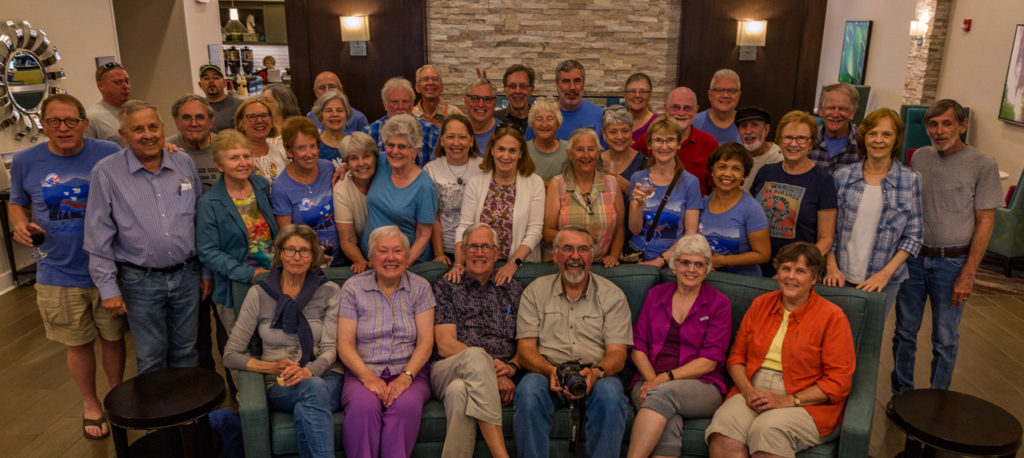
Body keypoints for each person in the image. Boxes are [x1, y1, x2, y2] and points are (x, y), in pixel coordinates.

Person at [9, 94, 125, 440]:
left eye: (71, 121)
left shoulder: (107, 152)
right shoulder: (26, 161)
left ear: (84, 123)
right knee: (77, 342)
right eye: (55, 121)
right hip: (57, 270)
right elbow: (18, 204)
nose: (63, 128)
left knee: (113, 337)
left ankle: (116, 397)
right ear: (42, 124)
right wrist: (18, 224)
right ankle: (91, 404)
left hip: (107, 267)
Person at [84, 99, 204, 374]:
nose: (148, 134)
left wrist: (205, 272)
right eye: (138, 129)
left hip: (188, 275)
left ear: (163, 129)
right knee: (151, 357)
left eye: (153, 127)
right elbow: (98, 233)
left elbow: (199, 218)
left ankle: (185, 416)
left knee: (187, 352)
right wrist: (108, 288)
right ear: (123, 135)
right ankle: (158, 417)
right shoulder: (106, 172)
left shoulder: (183, 162)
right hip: (140, 280)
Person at [891, 99, 1002, 395]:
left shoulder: (983, 164)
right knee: (904, 333)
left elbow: (986, 222)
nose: (940, 131)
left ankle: (937, 401)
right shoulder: (919, 158)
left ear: (963, 125)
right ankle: (901, 394)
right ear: (926, 127)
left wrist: (969, 273)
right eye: (934, 124)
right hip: (913, 259)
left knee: (945, 338)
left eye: (947, 123)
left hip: (952, 264)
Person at [706, 242, 855, 457]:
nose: (791, 277)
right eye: (786, 269)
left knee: (767, 429)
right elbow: (736, 357)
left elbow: (838, 382)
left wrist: (788, 400)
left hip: (805, 402)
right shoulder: (760, 304)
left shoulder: (832, 317)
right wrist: (748, 392)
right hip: (752, 391)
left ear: (814, 278)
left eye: (800, 271)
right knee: (724, 428)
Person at [223, 225, 342, 458]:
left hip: (326, 373)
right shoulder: (259, 294)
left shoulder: (328, 291)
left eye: (304, 251)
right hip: (280, 383)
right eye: (290, 250)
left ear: (314, 256)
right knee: (312, 392)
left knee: (306, 403)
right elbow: (230, 354)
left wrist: (309, 371)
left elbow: (330, 349)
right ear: (280, 253)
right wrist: (272, 367)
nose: (297, 257)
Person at [514, 226, 633, 458]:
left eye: (582, 249)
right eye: (567, 249)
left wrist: (596, 372)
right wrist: (550, 371)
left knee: (611, 394)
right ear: (555, 254)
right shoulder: (535, 291)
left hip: (596, 374)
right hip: (545, 372)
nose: (575, 257)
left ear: (593, 255)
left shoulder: (612, 295)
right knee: (528, 391)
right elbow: (526, 349)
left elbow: (618, 354)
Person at [627, 235, 731, 458]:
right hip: (648, 378)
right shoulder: (656, 295)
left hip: (702, 385)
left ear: (707, 269)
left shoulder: (719, 303)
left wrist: (664, 379)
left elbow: (710, 360)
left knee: (661, 396)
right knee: (667, 417)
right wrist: (652, 379)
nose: (691, 269)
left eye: (699, 264)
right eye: (685, 262)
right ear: (674, 266)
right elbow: (638, 347)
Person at [338, 226, 435, 458]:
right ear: (371, 257)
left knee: (405, 407)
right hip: (362, 372)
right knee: (363, 407)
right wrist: (368, 377)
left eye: (398, 251)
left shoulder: (421, 288)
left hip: (410, 372)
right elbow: (345, 344)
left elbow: (425, 343)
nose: (391, 257)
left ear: (407, 256)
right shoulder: (353, 288)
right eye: (383, 251)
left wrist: (406, 377)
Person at [432, 223, 523, 458]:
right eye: (472, 246)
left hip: (484, 376)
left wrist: (511, 368)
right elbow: (445, 344)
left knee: (459, 392)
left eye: (485, 247)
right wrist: (496, 372)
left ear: (496, 252)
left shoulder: (514, 290)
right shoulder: (446, 287)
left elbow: (527, 343)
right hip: (448, 367)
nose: (479, 253)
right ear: (463, 252)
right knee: (474, 356)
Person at [825, 108, 922, 314]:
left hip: (884, 281)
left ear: (896, 140)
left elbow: (914, 236)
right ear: (864, 137)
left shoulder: (911, 180)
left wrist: (884, 275)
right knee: (834, 339)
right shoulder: (842, 176)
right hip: (839, 276)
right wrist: (831, 267)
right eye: (873, 133)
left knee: (869, 342)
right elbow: (828, 229)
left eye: (887, 134)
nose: (879, 140)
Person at [197, 129, 277, 333]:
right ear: (219, 165)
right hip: (236, 286)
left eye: (246, 156)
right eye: (234, 158)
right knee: (243, 351)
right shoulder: (210, 203)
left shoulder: (260, 185)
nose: (243, 162)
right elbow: (208, 251)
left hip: (273, 278)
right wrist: (249, 274)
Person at [450, 127, 545, 284]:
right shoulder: (476, 182)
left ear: (521, 154)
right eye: (501, 149)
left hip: (519, 267)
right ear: (492, 150)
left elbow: (535, 231)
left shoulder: (535, 183)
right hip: (479, 265)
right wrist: (459, 263)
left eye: (512, 150)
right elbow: (464, 226)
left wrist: (512, 265)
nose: (505, 156)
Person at [750, 110, 837, 277]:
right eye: (788, 137)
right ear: (779, 140)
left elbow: (826, 240)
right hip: (758, 267)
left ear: (811, 143)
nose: (794, 144)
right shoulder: (766, 172)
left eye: (801, 139)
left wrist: (795, 268)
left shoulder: (823, 180)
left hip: (797, 273)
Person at [360, 114, 439, 264]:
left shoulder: (424, 186)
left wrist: (402, 264)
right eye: (390, 145)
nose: (394, 151)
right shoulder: (381, 161)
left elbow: (424, 234)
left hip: (402, 263)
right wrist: (344, 167)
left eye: (402, 146)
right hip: (371, 260)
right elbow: (358, 162)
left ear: (415, 150)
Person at [626, 118, 702, 266]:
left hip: (671, 261)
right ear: (649, 144)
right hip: (637, 258)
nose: (664, 146)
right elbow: (634, 230)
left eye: (670, 140)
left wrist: (661, 260)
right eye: (658, 140)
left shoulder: (690, 182)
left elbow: (690, 234)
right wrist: (637, 205)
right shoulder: (639, 178)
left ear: (679, 144)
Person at [544, 128, 625, 267]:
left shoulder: (612, 183)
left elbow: (619, 229)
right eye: (580, 149)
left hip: (601, 265)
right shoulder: (558, 184)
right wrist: (579, 238)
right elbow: (547, 233)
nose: (586, 155)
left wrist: (613, 256)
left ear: (598, 152)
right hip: (566, 264)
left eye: (591, 149)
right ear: (569, 154)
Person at [271, 117, 341, 266]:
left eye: (313, 146)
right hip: (307, 264)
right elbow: (286, 237)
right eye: (301, 148)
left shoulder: (328, 168)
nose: (309, 154)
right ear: (289, 151)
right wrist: (313, 255)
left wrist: (346, 166)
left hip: (343, 259)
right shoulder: (281, 187)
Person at [700, 143, 771, 276]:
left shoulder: (752, 208)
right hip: (705, 278)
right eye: (722, 167)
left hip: (740, 284)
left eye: (736, 168)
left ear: (744, 174)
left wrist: (722, 261)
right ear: (712, 170)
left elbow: (763, 254)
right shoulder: (701, 205)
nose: (728, 174)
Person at [633, 87, 719, 195]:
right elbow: (629, 164)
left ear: (696, 110)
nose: (681, 113)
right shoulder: (648, 139)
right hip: (655, 207)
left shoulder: (709, 143)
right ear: (666, 108)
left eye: (687, 108)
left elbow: (716, 187)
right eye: (675, 107)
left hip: (697, 208)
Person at [424, 115, 485, 264]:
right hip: (444, 250)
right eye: (450, 137)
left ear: (471, 141)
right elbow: (433, 216)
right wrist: (439, 253)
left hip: (478, 249)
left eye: (462, 137)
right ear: (442, 140)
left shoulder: (484, 168)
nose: (456, 143)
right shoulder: (430, 170)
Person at [527, 59, 606, 147]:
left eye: (577, 81)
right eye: (566, 81)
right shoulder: (539, 118)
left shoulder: (600, 115)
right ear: (557, 84)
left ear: (583, 83)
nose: (572, 87)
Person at [364, 77, 441, 167]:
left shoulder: (431, 132)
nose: (400, 107)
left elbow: (439, 168)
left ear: (413, 103)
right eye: (395, 102)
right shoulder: (369, 133)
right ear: (385, 104)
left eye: (405, 101)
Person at [333, 132, 378, 274]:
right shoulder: (341, 190)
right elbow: (347, 239)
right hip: (364, 251)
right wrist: (360, 260)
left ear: (375, 157)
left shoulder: (386, 172)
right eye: (354, 158)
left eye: (366, 156)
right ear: (346, 162)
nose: (361, 163)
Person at [167, 94, 218, 190]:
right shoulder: (166, 150)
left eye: (200, 117)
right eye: (186, 117)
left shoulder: (226, 147)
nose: (194, 124)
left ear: (210, 122)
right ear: (177, 122)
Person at [808, 82, 860, 173]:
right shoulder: (807, 139)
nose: (835, 114)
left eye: (842, 109)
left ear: (852, 112)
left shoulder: (864, 143)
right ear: (821, 109)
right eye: (831, 108)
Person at [235, 98, 289, 183]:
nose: (260, 120)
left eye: (264, 115)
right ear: (241, 123)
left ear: (271, 121)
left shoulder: (280, 153)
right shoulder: (235, 157)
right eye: (252, 117)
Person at [734, 107, 782, 194]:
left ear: (766, 130)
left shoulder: (780, 158)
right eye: (744, 126)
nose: (748, 131)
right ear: (738, 131)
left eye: (754, 125)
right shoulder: (733, 157)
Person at [601, 105, 647, 195]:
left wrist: (628, 188)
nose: (620, 137)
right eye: (613, 132)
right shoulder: (594, 162)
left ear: (632, 131)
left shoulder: (645, 164)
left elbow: (651, 203)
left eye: (625, 131)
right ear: (604, 134)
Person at [85, 62, 131, 146]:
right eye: (118, 82)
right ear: (101, 85)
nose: (126, 86)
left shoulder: (138, 111)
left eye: (126, 81)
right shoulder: (92, 118)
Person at [693, 69, 742, 145]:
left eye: (731, 91)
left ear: (739, 95)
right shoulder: (693, 124)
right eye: (719, 90)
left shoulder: (746, 125)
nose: (725, 95)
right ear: (710, 95)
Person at [526, 97, 569, 182]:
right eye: (539, 119)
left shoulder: (569, 150)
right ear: (532, 124)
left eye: (550, 119)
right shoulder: (523, 150)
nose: (544, 124)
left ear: (558, 124)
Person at [310, 89, 353, 167]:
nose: (335, 114)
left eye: (339, 110)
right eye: (329, 110)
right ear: (320, 115)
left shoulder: (355, 144)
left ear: (346, 115)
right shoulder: (314, 146)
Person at [198, 64, 242, 133]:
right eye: (206, 78)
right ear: (200, 85)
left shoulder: (240, 106)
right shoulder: (198, 108)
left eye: (215, 78)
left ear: (224, 83)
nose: (211, 81)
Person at [495, 64, 535, 134]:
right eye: (512, 86)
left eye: (523, 86)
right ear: (505, 90)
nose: (517, 91)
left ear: (531, 90)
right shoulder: (494, 120)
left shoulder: (540, 120)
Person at [465, 78, 503, 152]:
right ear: (466, 101)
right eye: (475, 98)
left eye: (487, 99)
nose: (481, 104)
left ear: (495, 103)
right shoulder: (452, 130)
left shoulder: (504, 134)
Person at [624, 72, 657, 141]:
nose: (637, 95)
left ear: (650, 96)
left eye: (642, 92)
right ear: (625, 95)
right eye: (632, 91)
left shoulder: (657, 124)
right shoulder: (617, 122)